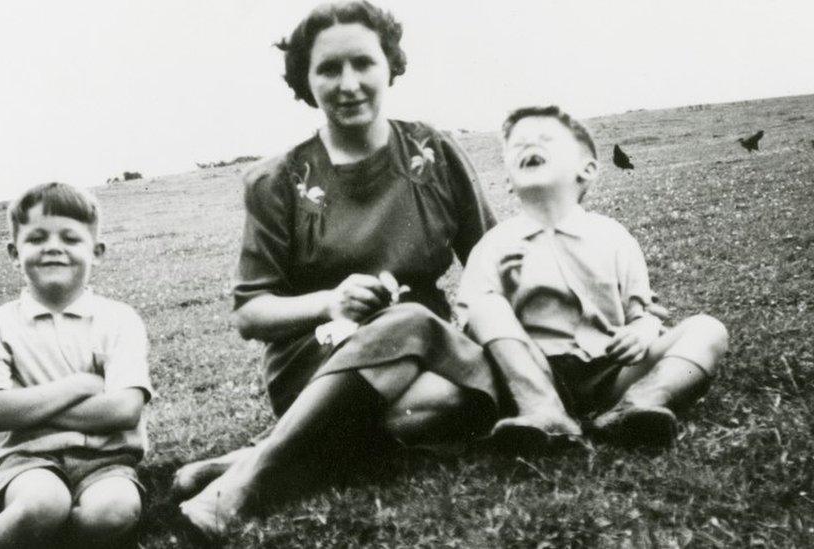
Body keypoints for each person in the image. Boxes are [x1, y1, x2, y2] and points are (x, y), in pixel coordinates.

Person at [174, 0, 499, 537]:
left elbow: (491, 267)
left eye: (363, 63)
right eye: (328, 68)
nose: (348, 83)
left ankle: (256, 458)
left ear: (390, 64)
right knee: (411, 323)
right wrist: (332, 301)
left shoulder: (435, 153)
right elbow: (251, 314)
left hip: (429, 358)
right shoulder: (276, 180)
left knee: (442, 396)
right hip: (318, 363)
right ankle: (249, 485)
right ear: (305, 80)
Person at [457, 106, 729, 452]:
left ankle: (637, 405)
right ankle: (543, 412)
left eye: (545, 139)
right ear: (508, 181)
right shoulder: (494, 243)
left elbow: (642, 312)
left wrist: (640, 332)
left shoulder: (613, 236)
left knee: (708, 329)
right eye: (517, 145)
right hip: (529, 376)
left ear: (586, 169)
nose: (528, 146)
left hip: (610, 373)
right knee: (485, 304)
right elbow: (470, 321)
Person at [0, 182, 154, 549]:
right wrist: (75, 387)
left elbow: (124, 409)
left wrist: (24, 407)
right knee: (44, 504)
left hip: (106, 458)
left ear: (97, 251)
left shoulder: (119, 319)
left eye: (71, 238)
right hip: (24, 459)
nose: (54, 247)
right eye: (37, 238)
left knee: (115, 511)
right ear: (14, 252)